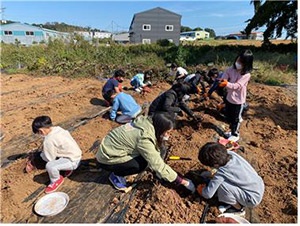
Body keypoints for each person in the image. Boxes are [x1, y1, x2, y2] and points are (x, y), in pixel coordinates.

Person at [95, 112, 196, 193]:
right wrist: (182, 182)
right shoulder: (144, 138)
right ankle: (116, 175)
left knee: (152, 157)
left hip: (112, 149)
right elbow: (157, 164)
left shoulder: (145, 123)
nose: (168, 135)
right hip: (107, 157)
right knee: (142, 164)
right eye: (167, 132)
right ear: (160, 129)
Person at [197, 142, 264, 216]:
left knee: (222, 185)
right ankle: (235, 199)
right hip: (258, 186)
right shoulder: (231, 154)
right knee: (223, 180)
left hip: (252, 199)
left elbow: (208, 194)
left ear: (215, 165)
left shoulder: (221, 172)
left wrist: (201, 191)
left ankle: (238, 208)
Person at [31, 116, 82, 193]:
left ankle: (56, 180)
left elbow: (49, 159)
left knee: (50, 166)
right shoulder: (58, 129)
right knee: (58, 154)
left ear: (41, 131)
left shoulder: (49, 140)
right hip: (76, 155)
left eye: (38, 133)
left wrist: (41, 155)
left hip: (73, 161)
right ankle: (67, 168)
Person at [217, 49, 253, 142]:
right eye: (237, 60)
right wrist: (223, 80)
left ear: (246, 64)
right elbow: (226, 74)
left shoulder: (246, 75)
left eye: (241, 62)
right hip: (229, 97)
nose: (238, 63)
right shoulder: (231, 69)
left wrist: (226, 84)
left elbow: (237, 86)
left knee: (235, 119)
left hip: (238, 100)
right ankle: (231, 130)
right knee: (229, 116)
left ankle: (235, 134)